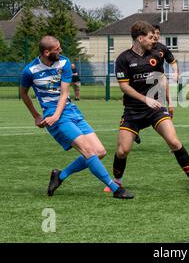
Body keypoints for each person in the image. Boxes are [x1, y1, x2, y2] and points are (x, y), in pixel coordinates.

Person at [20, 35, 133, 199]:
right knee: (88, 151)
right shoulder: (29, 71)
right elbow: (23, 93)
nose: (61, 51)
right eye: (57, 49)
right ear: (46, 52)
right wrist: (36, 115)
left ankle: (61, 176)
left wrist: (57, 114)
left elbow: (65, 93)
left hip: (69, 111)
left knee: (99, 152)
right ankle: (116, 189)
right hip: (53, 115)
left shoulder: (64, 63)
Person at [104, 21, 189, 194]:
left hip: (156, 107)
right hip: (133, 110)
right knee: (122, 150)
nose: (153, 40)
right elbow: (124, 87)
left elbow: (162, 79)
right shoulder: (123, 59)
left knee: (174, 142)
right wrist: (145, 99)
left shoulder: (156, 54)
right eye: (149, 37)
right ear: (140, 38)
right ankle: (117, 181)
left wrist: (169, 101)